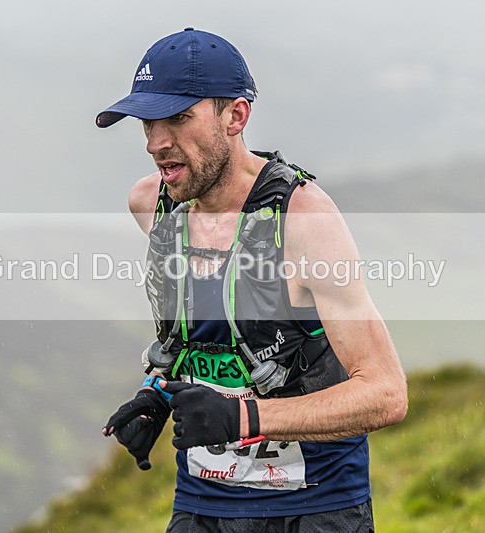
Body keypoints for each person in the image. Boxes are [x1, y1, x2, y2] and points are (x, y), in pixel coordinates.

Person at [98, 28, 407, 532]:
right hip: (203, 506)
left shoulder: (303, 221)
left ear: (236, 117)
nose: (156, 143)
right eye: (148, 122)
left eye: (178, 117)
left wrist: (245, 419)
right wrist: (157, 393)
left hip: (314, 509)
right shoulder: (151, 205)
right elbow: (205, 336)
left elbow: (385, 394)